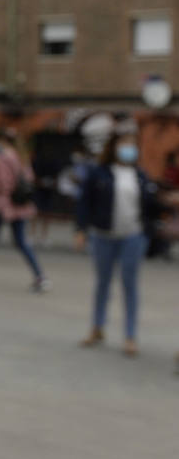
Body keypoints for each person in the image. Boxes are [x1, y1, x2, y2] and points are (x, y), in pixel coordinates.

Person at [75, 126, 160, 357]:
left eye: (132, 145)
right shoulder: (99, 173)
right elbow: (84, 202)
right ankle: (97, 327)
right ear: (113, 147)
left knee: (129, 284)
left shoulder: (140, 176)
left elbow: (151, 206)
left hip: (133, 236)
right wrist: (81, 229)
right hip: (103, 236)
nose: (128, 149)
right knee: (103, 283)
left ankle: (130, 335)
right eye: (124, 144)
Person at [0, 129, 49, 292]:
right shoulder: (23, 157)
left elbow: (2, 182)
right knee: (21, 241)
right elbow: (29, 178)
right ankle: (39, 276)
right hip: (20, 205)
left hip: (3, 204)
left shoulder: (5, 157)